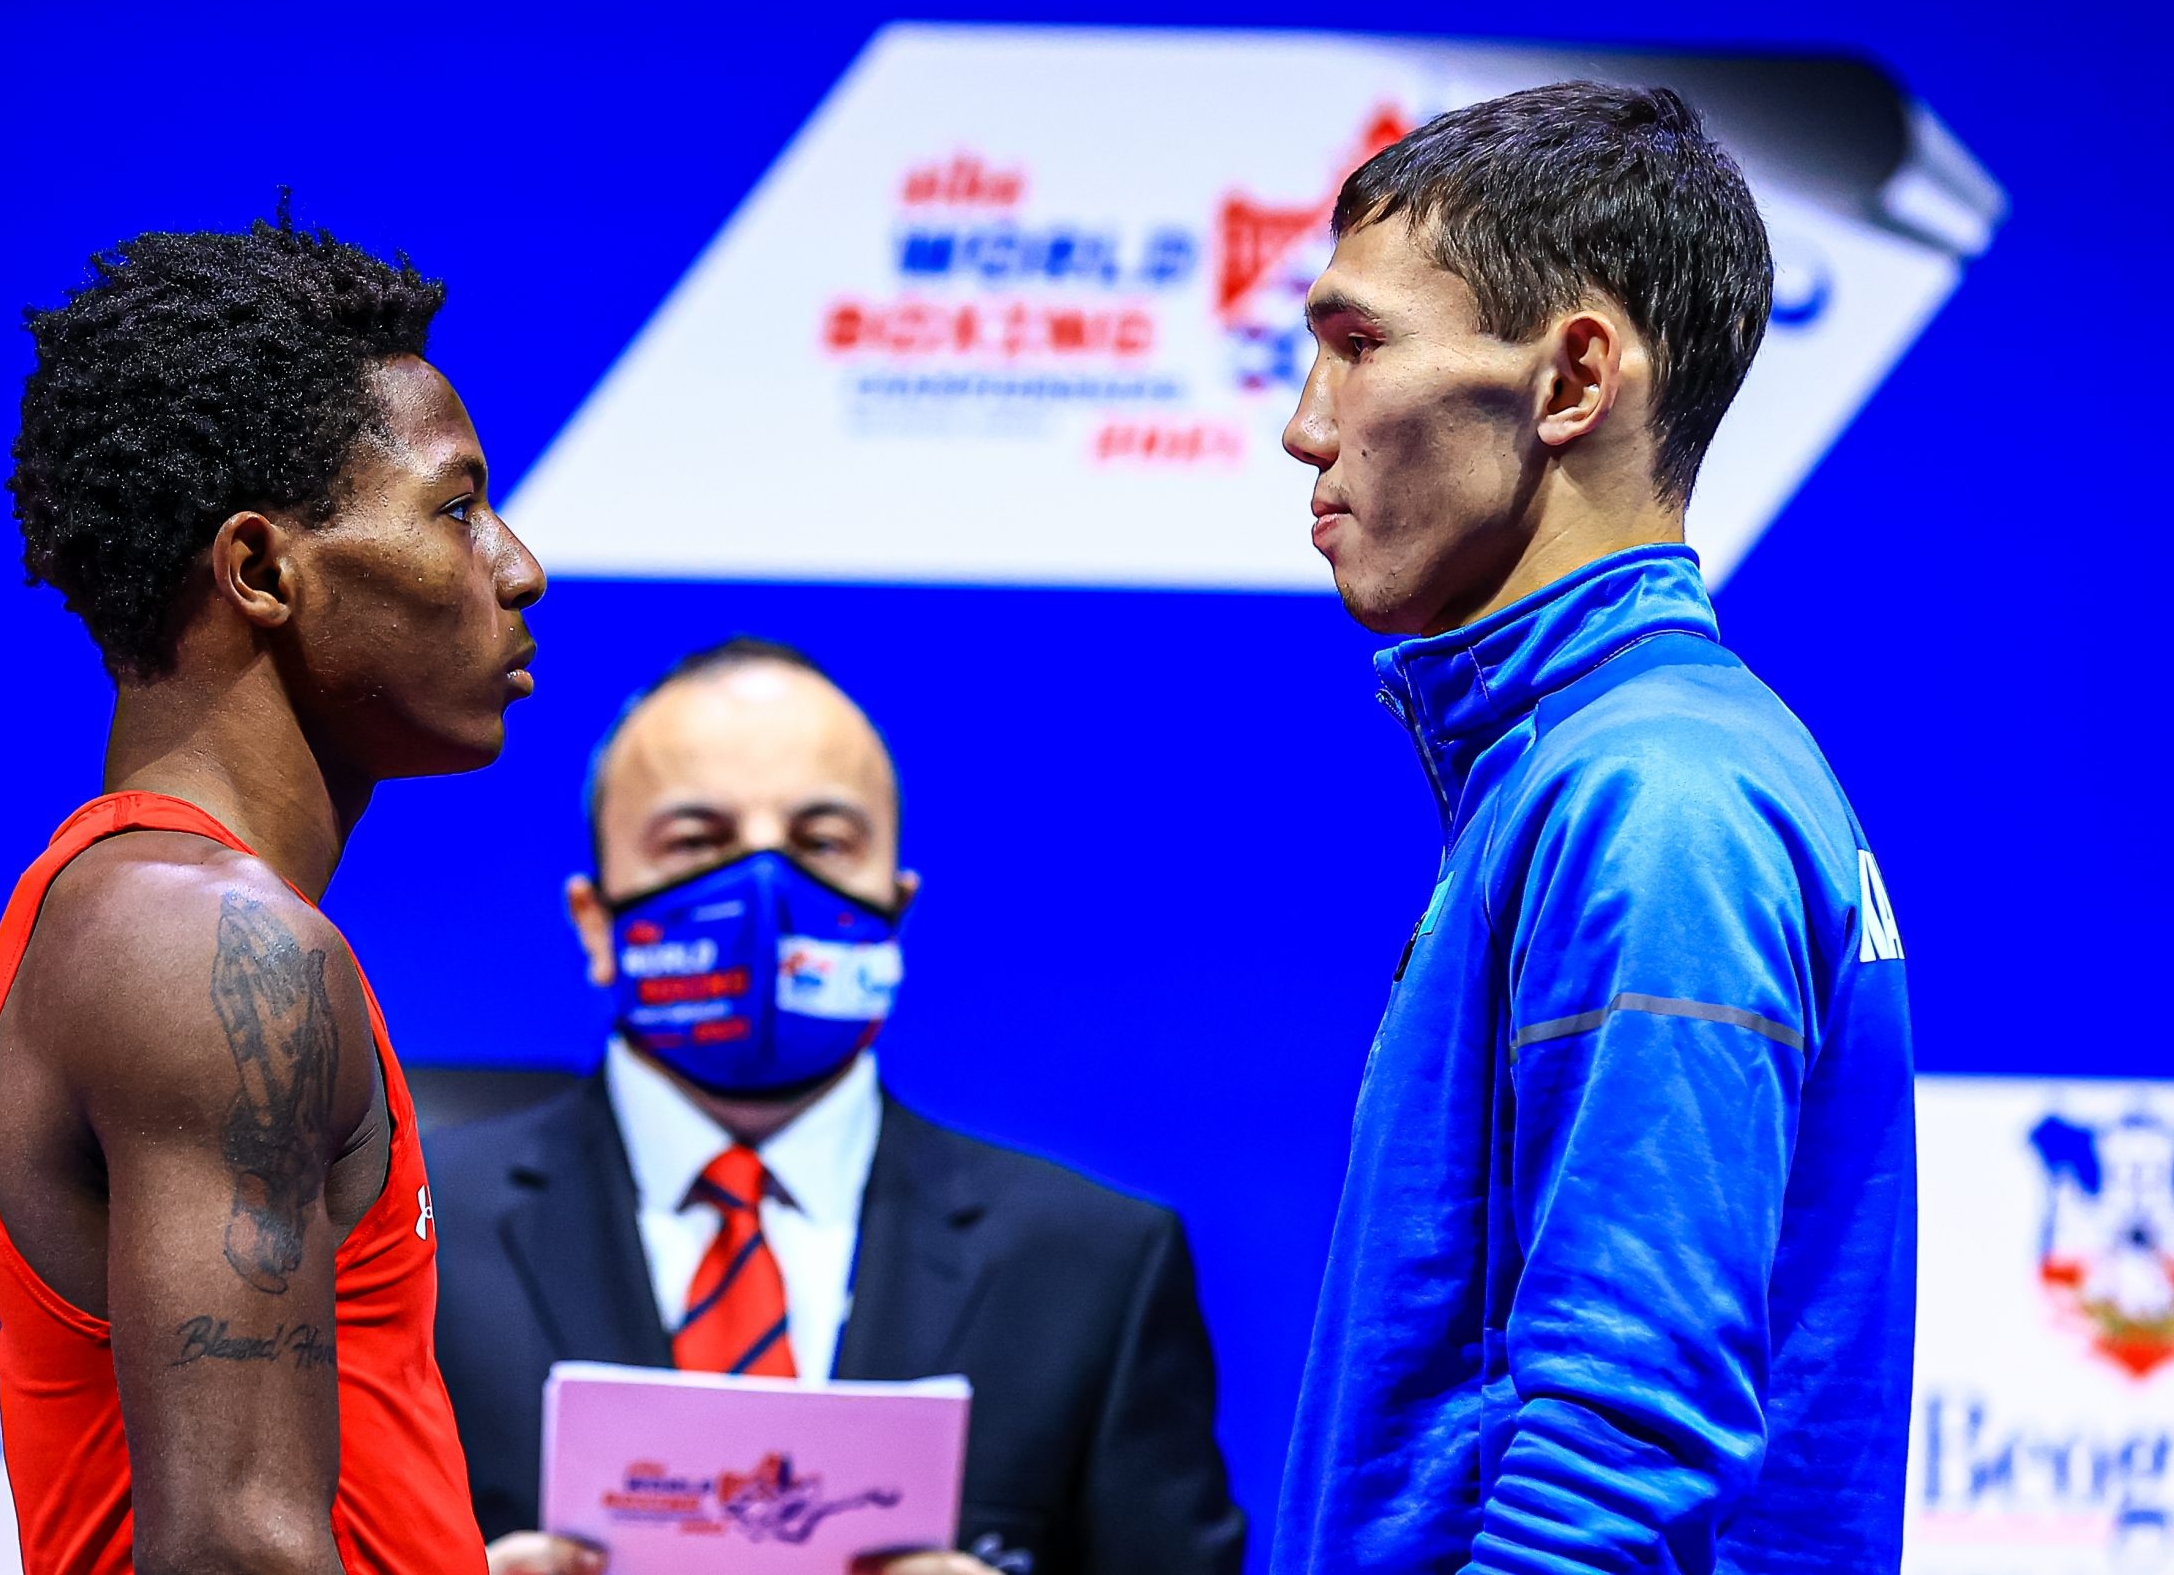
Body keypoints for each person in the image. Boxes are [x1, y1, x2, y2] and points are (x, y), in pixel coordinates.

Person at [1269, 81, 1917, 1573]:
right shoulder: (1614, 766)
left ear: (1572, 380)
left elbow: (1623, 1450)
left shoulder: (1655, 798)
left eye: (1358, 346)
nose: (1308, 427)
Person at [0, 210, 544, 1575]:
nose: (516, 566)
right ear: (264, 569)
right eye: (456, 508)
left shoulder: (161, 910)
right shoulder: (204, 936)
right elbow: (233, 1547)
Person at [424, 639, 1245, 1575]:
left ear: (894, 908)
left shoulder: (1093, 1266)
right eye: (696, 841)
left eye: (822, 843)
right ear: (596, 922)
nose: (764, 890)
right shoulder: (408, 1238)